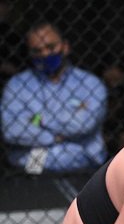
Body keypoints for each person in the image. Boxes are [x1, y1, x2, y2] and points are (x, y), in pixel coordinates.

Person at [1, 22, 108, 174]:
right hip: (35, 166)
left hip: (86, 164)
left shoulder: (90, 83)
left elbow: (83, 125)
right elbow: (12, 130)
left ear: (65, 47)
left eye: (51, 47)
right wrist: (54, 137)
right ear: (30, 53)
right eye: (37, 50)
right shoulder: (17, 85)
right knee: (33, 178)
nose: (45, 54)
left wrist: (37, 119)